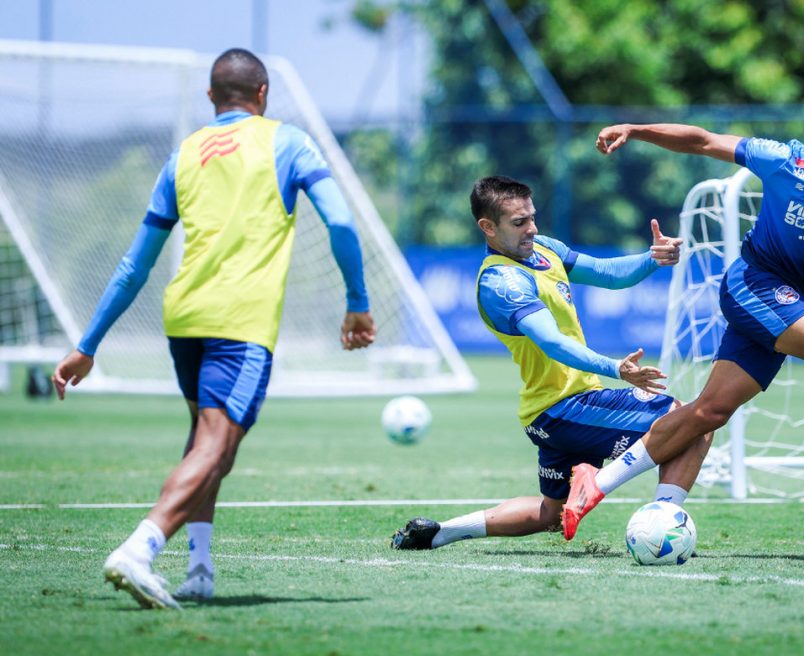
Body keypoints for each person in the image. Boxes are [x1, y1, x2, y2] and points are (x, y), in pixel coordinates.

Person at [51, 48, 376, 609]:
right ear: (263, 93)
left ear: (211, 97)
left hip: (183, 319)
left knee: (207, 442)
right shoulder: (288, 141)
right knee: (216, 445)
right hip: (240, 322)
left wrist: (88, 346)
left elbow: (135, 265)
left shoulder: (183, 155)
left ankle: (199, 568)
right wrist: (357, 301)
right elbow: (342, 221)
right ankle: (140, 548)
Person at [562, 115, 804, 540]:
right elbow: (705, 140)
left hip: (786, 299)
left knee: (711, 412)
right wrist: (636, 130)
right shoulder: (784, 160)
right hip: (753, 283)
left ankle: (593, 485)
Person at [392, 175, 711, 551]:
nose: (532, 228)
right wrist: (615, 369)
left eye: (532, 217)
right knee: (693, 420)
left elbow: (608, 273)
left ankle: (440, 533)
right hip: (566, 407)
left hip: (547, 414)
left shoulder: (544, 249)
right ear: (488, 227)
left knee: (552, 515)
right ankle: (661, 517)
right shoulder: (501, 282)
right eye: (519, 222)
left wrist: (651, 259)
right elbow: (552, 342)